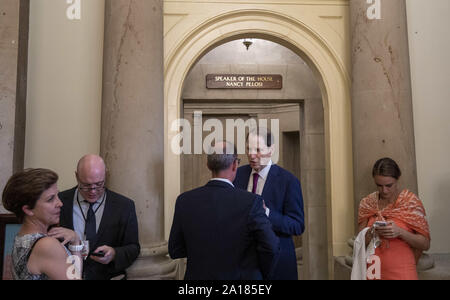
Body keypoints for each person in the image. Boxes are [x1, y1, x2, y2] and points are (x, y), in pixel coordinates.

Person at [169, 141, 280, 280]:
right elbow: (271, 246)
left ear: (208, 165)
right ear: (235, 165)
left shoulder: (184, 201)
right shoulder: (252, 202)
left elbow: (175, 250)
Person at [233, 127, 305, 280]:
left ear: (271, 150)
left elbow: (297, 225)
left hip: (277, 264)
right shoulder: (238, 175)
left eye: (258, 150)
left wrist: (267, 213)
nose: (252, 155)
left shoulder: (288, 181)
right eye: (248, 149)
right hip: (243, 264)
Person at [57, 154, 140, 280]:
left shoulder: (124, 206)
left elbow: (133, 247)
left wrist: (114, 254)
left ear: (105, 175)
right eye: (86, 185)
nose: (93, 191)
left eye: (99, 184)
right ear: (76, 176)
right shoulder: (60, 202)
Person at [2, 168, 83, 280]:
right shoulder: (46, 246)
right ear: (28, 210)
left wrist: (75, 242)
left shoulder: (23, 237)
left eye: (57, 196)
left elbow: (73, 274)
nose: (60, 203)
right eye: (50, 199)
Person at [357, 157, 431, 280]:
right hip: (373, 268)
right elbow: (360, 242)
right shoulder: (367, 203)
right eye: (379, 186)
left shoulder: (410, 203)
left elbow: (425, 244)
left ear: (398, 179)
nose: (384, 190)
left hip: (402, 270)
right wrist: (372, 231)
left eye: (389, 185)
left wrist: (400, 232)